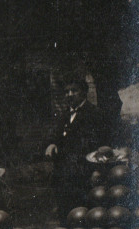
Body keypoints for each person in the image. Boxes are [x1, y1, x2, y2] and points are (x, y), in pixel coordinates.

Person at [45, 72, 105, 220]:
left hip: (85, 175)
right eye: (66, 92)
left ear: (84, 92)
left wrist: (97, 171)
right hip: (64, 175)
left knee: (84, 216)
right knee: (66, 215)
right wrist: (52, 143)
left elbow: (102, 145)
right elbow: (54, 134)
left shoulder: (95, 114)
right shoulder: (64, 115)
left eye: (74, 90)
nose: (70, 94)